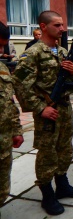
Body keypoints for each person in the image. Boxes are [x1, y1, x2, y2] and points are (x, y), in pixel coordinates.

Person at [13, 11, 73, 215]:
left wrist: (72, 70)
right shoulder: (33, 54)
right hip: (47, 110)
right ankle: (47, 195)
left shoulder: (62, 52)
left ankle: (62, 185)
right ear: (43, 26)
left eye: (63, 25)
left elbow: (67, 78)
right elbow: (20, 86)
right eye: (57, 25)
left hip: (64, 108)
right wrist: (40, 109)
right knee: (47, 154)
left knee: (65, 149)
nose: (62, 29)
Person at [0, 22, 24, 209]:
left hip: (4, 142)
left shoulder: (2, 68)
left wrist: (16, 129)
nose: (1, 51)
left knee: (2, 191)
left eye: (2, 46)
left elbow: (9, 101)